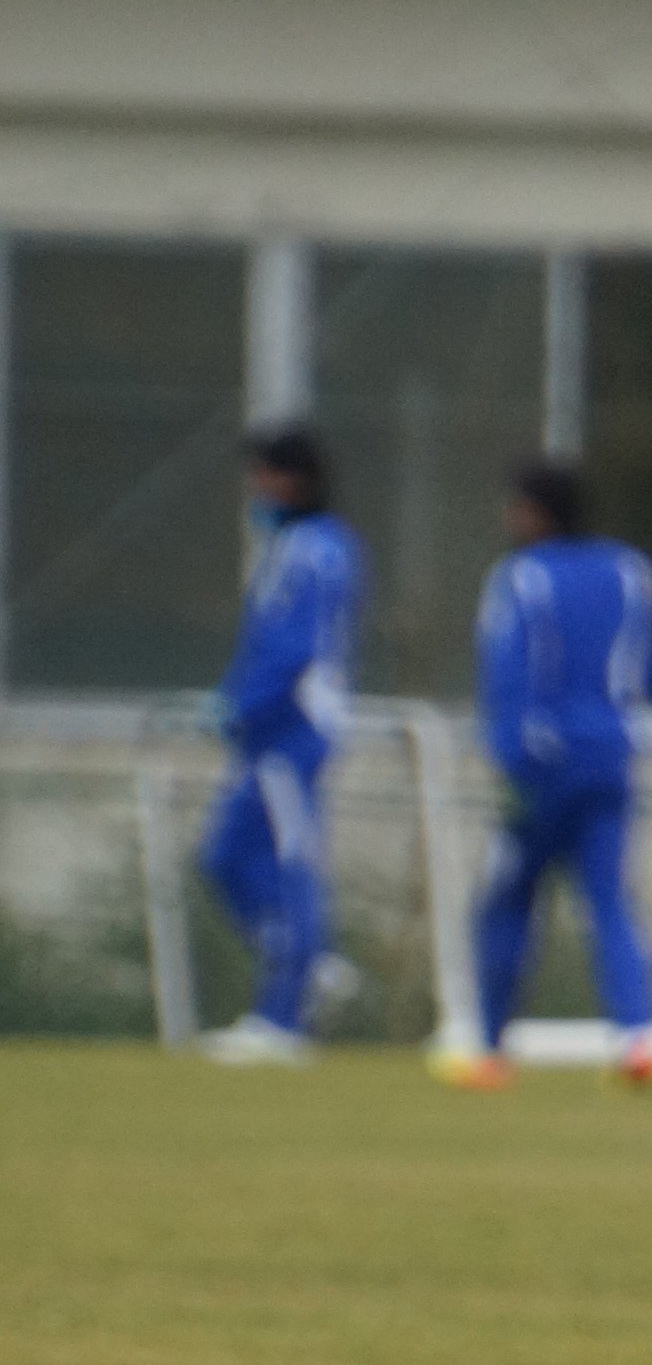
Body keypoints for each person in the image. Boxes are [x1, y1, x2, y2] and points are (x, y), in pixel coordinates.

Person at [435, 459, 652, 1091]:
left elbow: (508, 675)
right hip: (613, 758)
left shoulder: (521, 578)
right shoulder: (631, 571)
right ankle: (639, 1038)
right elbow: (646, 668)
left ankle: (489, 1047)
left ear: (538, 513)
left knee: (508, 901)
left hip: (542, 765)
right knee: (611, 901)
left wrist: (510, 759)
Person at [197, 423, 362, 1065]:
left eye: (263, 476)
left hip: (294, 729)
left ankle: (283, 1019)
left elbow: (295, 649)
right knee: (225, 858)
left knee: (292, 861)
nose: (255, 490)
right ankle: (309, 962)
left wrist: (241, 703)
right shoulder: (286, 548)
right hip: (262, 730)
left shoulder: (320, 550)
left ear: (292, 479)